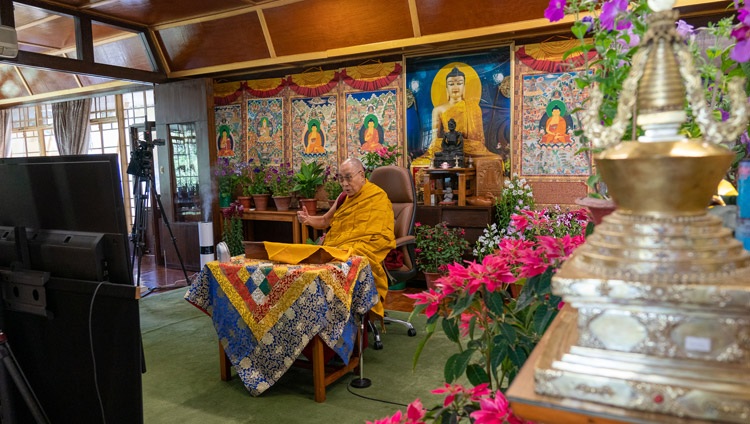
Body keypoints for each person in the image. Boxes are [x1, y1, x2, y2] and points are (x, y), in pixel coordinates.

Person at [297, 158, 395, 318]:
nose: (344, 183)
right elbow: (325, 220)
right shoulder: (343, 198)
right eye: (340, 179)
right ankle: (326, 314)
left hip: (365, 250)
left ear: (362, 175)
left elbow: (379, 236)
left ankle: (350, 316)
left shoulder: (378, 197)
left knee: (347, 264)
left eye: (348, 177)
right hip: (340, 248)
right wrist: (308, 220)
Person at [412, 65, 501, 167]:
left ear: (464, 87)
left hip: (471, 149)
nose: (455, 87)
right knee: (418, 163)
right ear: (447, 87)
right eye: (451, 84)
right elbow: (435, 141)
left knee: (495, 160)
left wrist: (462, 144)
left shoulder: (473, 107)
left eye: (459, 83)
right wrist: (447, 145)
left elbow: (479, 141)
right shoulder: (438, 110)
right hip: (446, 150)